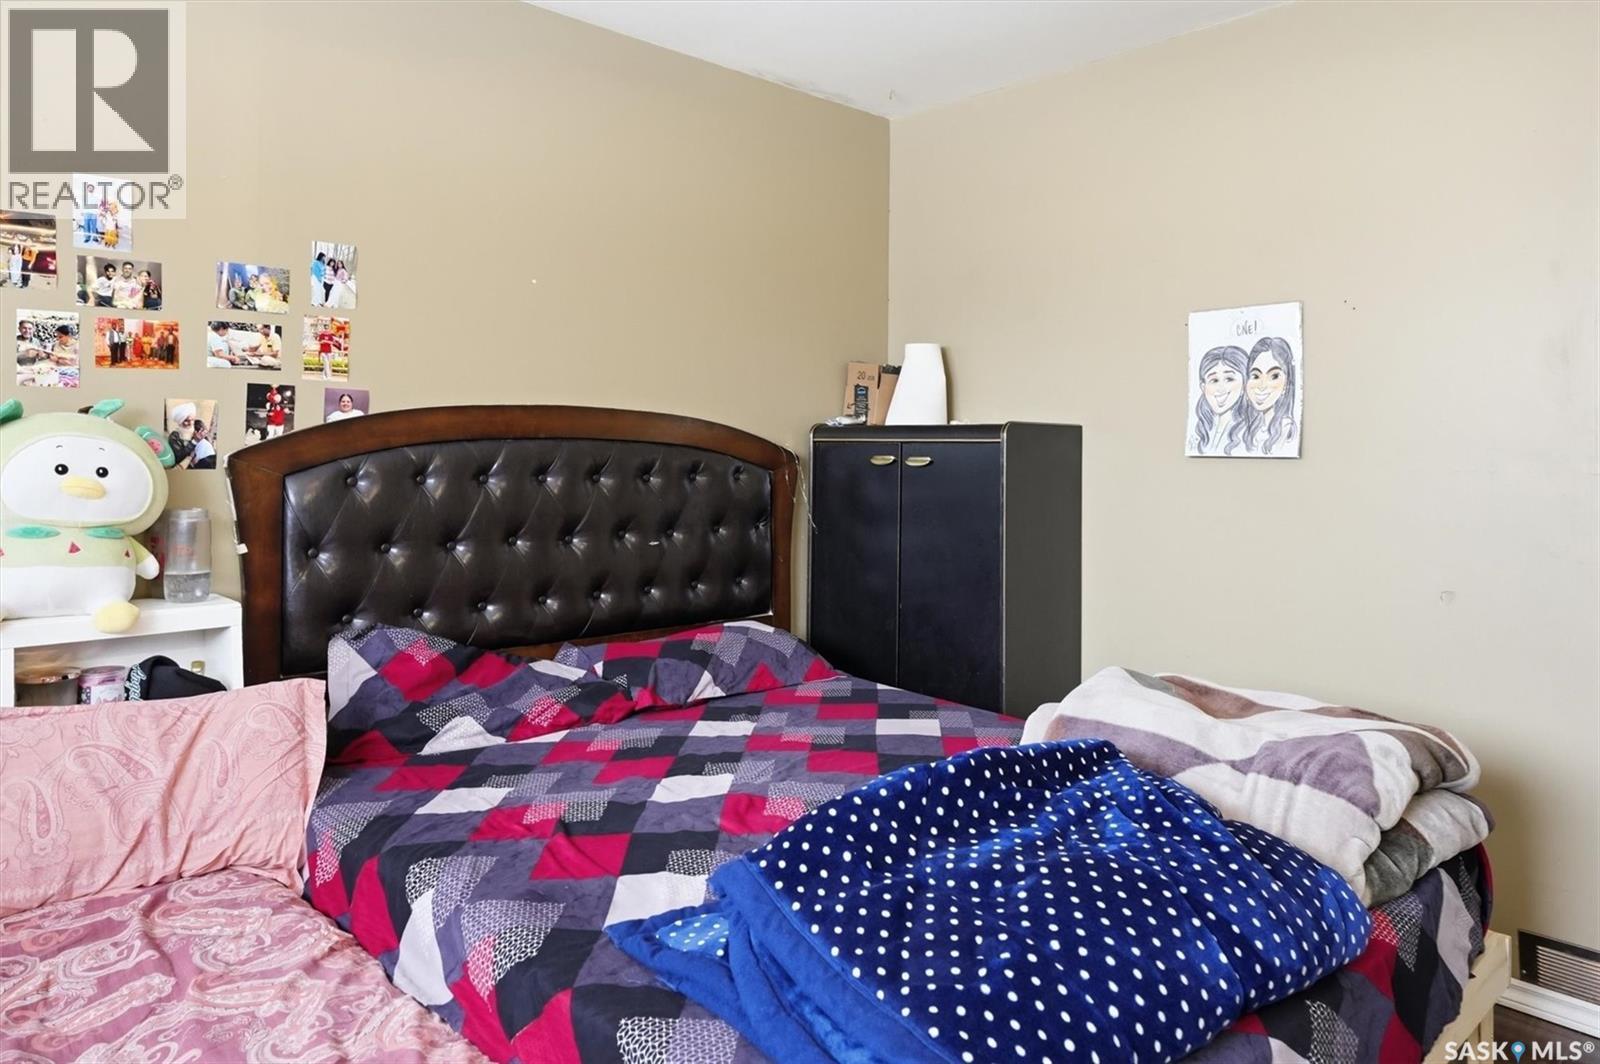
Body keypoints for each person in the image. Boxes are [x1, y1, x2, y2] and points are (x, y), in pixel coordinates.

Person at [1190, 345, 1249, 456]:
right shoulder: (1202, 429)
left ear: (1244, 385)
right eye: (1214, 380)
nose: (1221, 388)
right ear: (1203, 387)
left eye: (1229, 379)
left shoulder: (1248, 432)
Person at [1244, 336, 1298, 455]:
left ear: (1286, 384)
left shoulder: (1285, 427)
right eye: (1256, 376)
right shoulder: (1252, 427)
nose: (1262, 386)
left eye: (1273, 376)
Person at [167, 401, 198, 468]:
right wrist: (194, 442)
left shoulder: (197, 430)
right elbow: (178, 457)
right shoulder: (174, 436)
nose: (191, 423)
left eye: (192, 420)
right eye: (187, 420)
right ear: (180, 420)